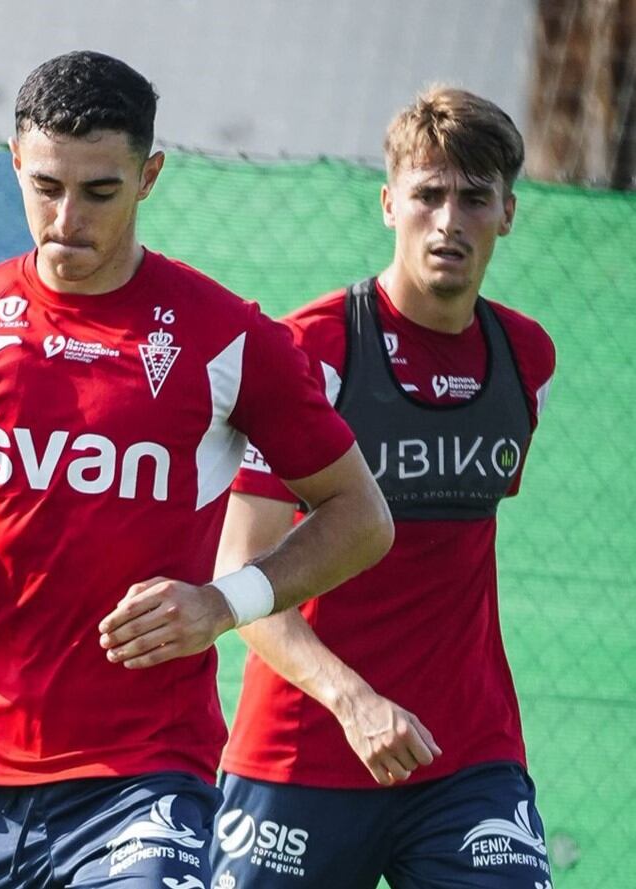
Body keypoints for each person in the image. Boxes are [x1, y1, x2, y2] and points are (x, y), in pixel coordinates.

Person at [0, 51, 392, 889]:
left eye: (99, 191)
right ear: (15, 161)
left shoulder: (223, 336)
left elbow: (359, 515)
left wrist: (220, 602)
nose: (67, 218)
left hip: (146, 771)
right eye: (46, 186)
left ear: (149, 177)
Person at [210, 86, 557, 889]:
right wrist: (352, 697)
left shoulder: (525, 359)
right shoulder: (311, 348)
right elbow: (243, 568)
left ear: (506, 211)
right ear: (387, 202)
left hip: (465, 759)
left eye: (474, 198)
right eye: (428, 194)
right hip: (300, 755)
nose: (447, 221)